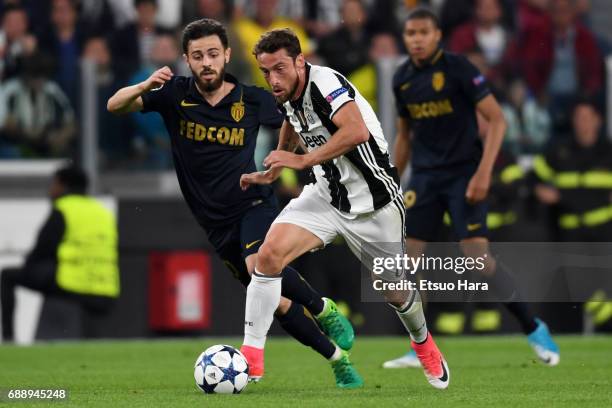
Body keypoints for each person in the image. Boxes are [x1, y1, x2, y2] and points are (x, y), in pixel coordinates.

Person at [106, 18, 358, 388]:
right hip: (213, 220)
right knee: (278, 303)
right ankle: (337, 359)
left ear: (226, 55)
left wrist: (302, 158)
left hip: (252, 202)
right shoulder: (173, 94)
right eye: (197, 56)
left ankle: (323, 308)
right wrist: (145, 85)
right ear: (186, 60)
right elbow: (115, 106)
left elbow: (297, 118)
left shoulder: (253, 99)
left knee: (261, 266)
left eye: (212, 53)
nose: (206, 62)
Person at [238, 28, 450, 390]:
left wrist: (301, 159)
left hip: (376, 204)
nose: (273, 79)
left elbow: (356, 132)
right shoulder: (287, 89)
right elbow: (292, 117)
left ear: (300, 62)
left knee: (394, 291)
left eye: (279, 69)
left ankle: (423, 343)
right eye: (265, 72)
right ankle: (251, 360)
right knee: (267, 257)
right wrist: (274, 169)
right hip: (326, 195)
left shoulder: (326, 83)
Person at [382, 8, 559, 369]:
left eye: (422, 32)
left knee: (476, 257)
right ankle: (420, 348)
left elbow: (498, 120)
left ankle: (534, 327)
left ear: (436, 36)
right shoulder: (401, 78)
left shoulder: (459, 69)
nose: (415, 39)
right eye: (410, 33)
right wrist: (391, 182)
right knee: (406, 261)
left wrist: (483, 174)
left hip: (464, 173)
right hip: (426, 178)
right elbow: (405, 136)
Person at [1, 166, 119, 342]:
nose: (51, 189)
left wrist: (29, 266)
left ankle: (9, 338)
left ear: (63, 185)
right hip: (106, 290)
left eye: (53, 184)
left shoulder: (64, 208)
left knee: (7, 276)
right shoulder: (103, 212)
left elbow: (42, 250)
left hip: (71, 285)